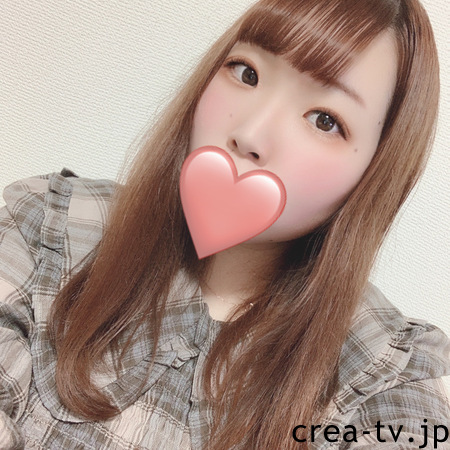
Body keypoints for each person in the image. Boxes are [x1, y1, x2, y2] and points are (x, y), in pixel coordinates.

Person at [1, 0, 449, 448]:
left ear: (375, 172)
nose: (250, 134)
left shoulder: (384, 371)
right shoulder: (49, 228)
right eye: (247, 73)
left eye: (324, 120)